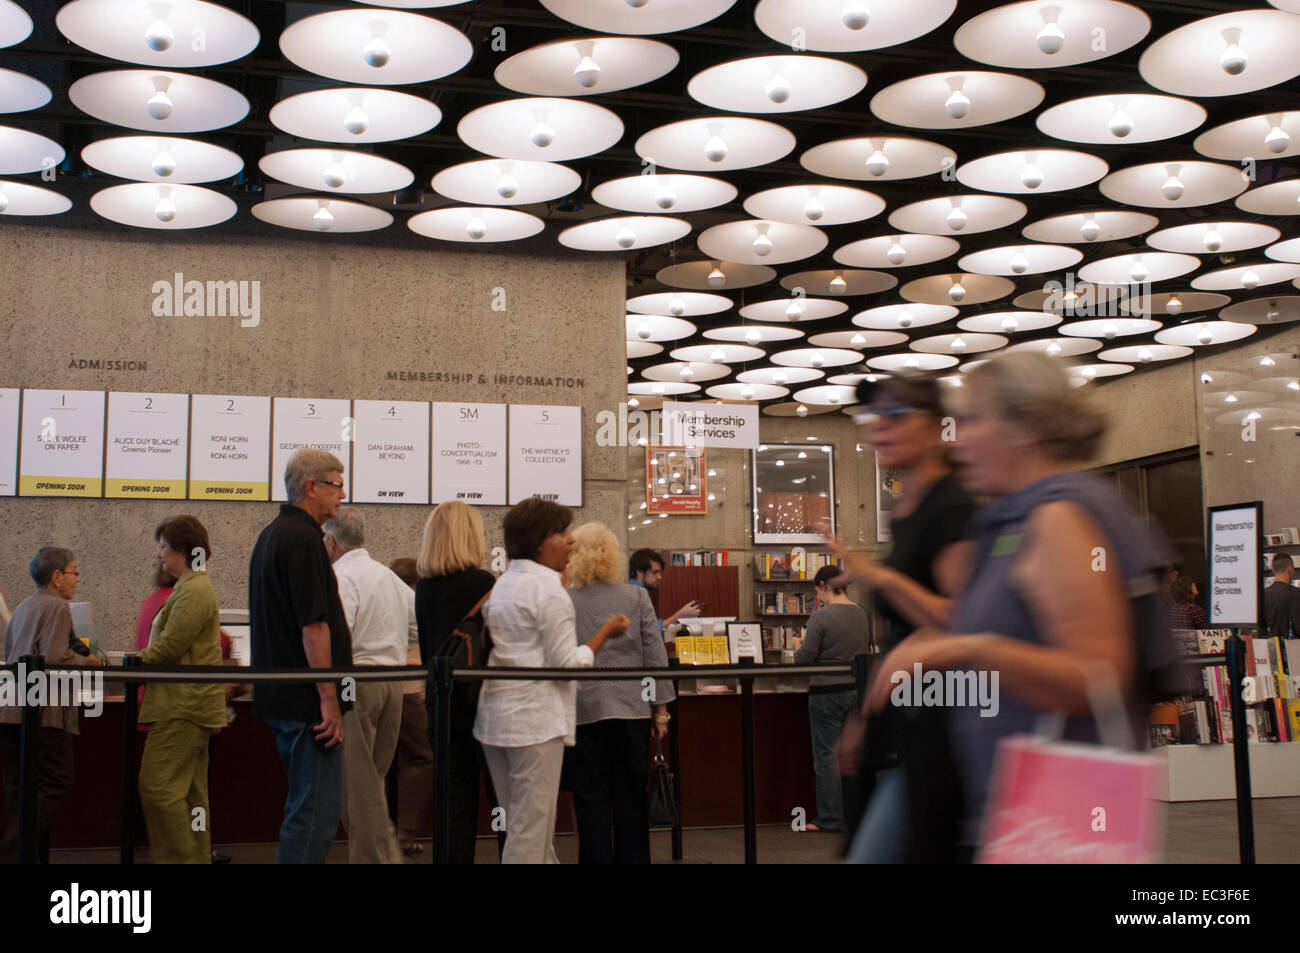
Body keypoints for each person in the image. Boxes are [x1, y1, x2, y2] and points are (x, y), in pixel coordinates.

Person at [861, 352, 1182, 862]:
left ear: (1024, 429)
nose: (957, 438)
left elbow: (1096, 674)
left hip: (1060, 814)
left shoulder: (1059, 517)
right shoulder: (1019, 519)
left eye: (972, 420)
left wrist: (965, 647)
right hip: (1014, 807)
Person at [829, 372, 976, 864]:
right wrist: (868, 717)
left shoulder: (951, 506)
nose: (879, 428)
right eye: (873, 417)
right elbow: (907, 629)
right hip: (908, 718)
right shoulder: (906, 508)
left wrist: (881, 576)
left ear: (937, 427)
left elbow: (963, 621)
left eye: (895, 415)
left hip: (948, 721)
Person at [473, 499, 629, 864]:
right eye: (562, 532)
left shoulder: (503, 584)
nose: (571, 540)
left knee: (522, 828)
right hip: (535, 726)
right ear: (542, 541)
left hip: (495, 722)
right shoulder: (549, 593)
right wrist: (604, 633)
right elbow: (568, 665)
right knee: (530, 835)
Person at [249, 448, 353, 864]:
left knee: (303, 809)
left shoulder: (273, 534)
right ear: (312, 487)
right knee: (315, 816)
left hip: (283, 697)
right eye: (337, 485)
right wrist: (328, 699)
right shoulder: (304, 539)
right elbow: (314, 626)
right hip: (308, 704)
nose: (342, 495)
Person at [566, 523, 674, 864]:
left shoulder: (566, 599)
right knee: (631, 799)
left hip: (584, 711)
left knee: (590, 799)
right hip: (632, 711)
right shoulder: (636, 596)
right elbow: (654, 655)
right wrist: (661, 711)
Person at [323, 507, 415, 864]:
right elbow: (418, 628)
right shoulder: (387, 576)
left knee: (356, 787)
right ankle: (384, 854)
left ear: (331, 541)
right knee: (372, 781)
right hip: (393, 684)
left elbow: (338, 635)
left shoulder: (341, 577)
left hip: (356, 683)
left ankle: (372, 858)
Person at [0, 547, 103, 863]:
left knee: (22, 793)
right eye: (74, 570)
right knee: (55, 782)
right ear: (56, 577)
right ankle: (10, 853)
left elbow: (9, 654)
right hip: (44, 715)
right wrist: (87, 660)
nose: (78, 577)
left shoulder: (22, 606)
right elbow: (56, 656)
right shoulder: (58, 607)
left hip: (10, 712)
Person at [137, 516, 227, 864]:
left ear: (181, 550)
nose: (159, 555)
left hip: (181, 707)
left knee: (158, 787)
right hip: (189, 706)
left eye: (162, 547)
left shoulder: (193, 590)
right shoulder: (191, 588)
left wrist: (135, 661)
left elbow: (169, 648)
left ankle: (179, 859)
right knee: (191, 794)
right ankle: (194, 857)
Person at [415, 501, 501, 864]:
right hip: (481, 702)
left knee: (454, 799)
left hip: (441, 702)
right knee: (501, 798)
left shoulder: (424, 588)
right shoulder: (483, 583)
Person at [793, 565, 870, 835]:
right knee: (852, 756)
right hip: (855, 691)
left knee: (826, 757)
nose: (818, 597)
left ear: (824, 584)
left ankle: (829, 818)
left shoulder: (820, 616)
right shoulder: (862, 613)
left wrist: (796, 648)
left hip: (826, 693)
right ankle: (854, 816)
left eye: (818, 591)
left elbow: (805, 659)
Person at [389, 556, 433, 855]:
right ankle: (402, 835)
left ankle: (391, 835)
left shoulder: (384, 602)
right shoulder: (411, 605)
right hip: (410, 692)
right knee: (423, 758)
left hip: (386, 691)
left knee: (393, 764)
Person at [628, 549, 701, 630]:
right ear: (639, 572)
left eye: (660, 573)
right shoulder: (634, 595)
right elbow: (651, 630)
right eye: (655, 572)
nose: (660, 577)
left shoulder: (638, 592)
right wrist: (681, 614)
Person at [1265, 554, 1300, 639]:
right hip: (1292, 648)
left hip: (1269, 647)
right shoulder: (1296, 594)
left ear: (1273, 569)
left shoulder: (1262, 595)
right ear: (1291, 568)